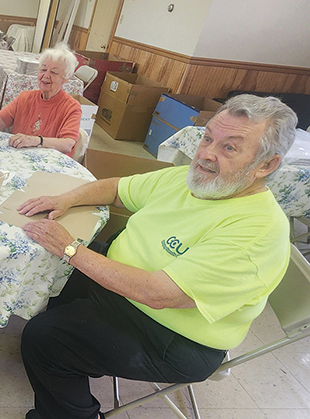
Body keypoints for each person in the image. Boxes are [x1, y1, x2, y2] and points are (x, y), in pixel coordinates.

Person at [16, 94, 297, 419]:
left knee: (43, 339)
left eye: (229, 148)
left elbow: (158, 294)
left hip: (172, 333)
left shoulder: (257, 231)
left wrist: (71, 249)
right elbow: (118, 189)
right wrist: (65, 199)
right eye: (207, 138)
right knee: (52, 278)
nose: (206, 154)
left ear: (266, 165)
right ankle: (68, 361)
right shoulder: (196, 180)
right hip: (126, 284)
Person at [0, 42, 82, 157]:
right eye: (43, 69)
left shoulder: (71, 107)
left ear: (65, 78)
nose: (46, 75)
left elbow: (68, 144)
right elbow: (1, 118)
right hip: (19, 157)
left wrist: (36, 141)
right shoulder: (25, 97)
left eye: (53, 72)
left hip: (49, 162)